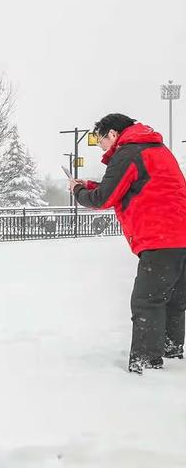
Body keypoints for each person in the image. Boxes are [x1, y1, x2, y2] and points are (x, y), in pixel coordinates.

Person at [69, 113, 186, 374]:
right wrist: (88, 184)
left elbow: (103, 199)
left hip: (160, 237)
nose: (101, 148)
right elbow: (130, 185)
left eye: (100, 141)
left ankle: (147, 364)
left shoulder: (128, 152)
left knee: (147, 301)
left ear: (112, 134)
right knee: (173, 300)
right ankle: (173, 353)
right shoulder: (156, 149)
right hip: (181, 236)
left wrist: (78, 192)